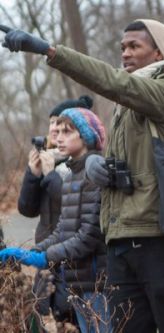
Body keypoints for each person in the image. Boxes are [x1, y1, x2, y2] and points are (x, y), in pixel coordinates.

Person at [0, 19, 164, 333]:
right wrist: (102, 168)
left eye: (134, 46)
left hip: (160, 238)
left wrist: (47, 50)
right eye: (123, 47)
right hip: (122, 239)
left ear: (159, 53)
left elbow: (113, 82)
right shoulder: (126, 106)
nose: (125, 53)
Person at [0, 107, 108, 333]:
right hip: (75, 278)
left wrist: (45, 257)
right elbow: (62, 230)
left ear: (86, 136)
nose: (57, 137)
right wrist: (31, 253)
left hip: (96, 280)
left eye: (66, 132)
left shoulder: (94, 171)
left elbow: (88, 236)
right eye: (56, 131)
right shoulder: (70, 176)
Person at [17, 95, 92, 323]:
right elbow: (27, 209)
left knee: (76, 318)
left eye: (59, 124)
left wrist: (51, 175)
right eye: (51, 123)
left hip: (72, 256)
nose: (52, 129)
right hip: (46, 254)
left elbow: (73, 208)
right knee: (48, 316)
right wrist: (33, 174)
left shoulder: (83, 163)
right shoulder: (49, 158)